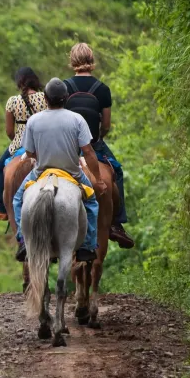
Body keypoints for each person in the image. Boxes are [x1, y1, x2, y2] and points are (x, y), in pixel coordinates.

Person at [12, 78, 107, 263]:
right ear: (66, 98)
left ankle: (23, 240)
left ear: (45, 99)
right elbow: (88, 152)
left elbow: (30, 152)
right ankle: (87, 245)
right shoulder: (77, 119)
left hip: (41, 173)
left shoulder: (33, 120)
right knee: (92, 202)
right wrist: (99, 180)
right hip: (72, 173)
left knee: (17, 200)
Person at [63, 43, 135, 249]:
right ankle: (116, 224)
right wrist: (97, 138)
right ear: (92, 60)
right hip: (94, 145)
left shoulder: (64, 87)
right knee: (117, 171)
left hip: (69, 147)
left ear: (73, 60)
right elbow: (106, 125)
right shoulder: (102, 89)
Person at [0, 67, 48, 221]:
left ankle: (3, 209)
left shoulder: (13, 101)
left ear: (19, 82)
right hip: (43, 144)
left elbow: (10, 131)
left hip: (20, 144)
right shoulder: (45, 98)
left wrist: (18, 140)